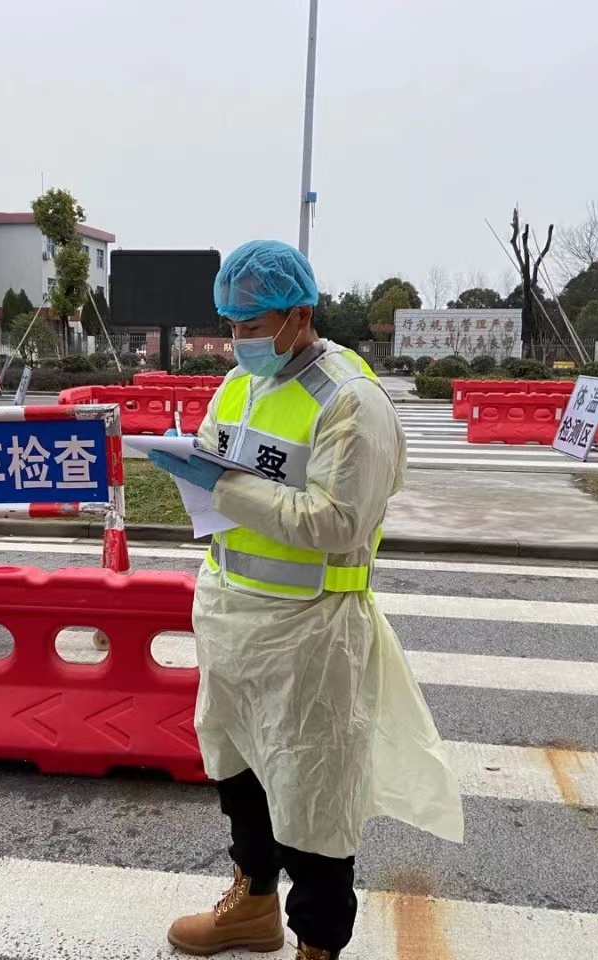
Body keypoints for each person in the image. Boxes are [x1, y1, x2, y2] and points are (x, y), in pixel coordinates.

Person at [147, 240, 463, 960]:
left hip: (310, 631)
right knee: (238, 768)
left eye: (254, 325)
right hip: (232, 617)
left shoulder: (351, 401)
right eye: (232, 325)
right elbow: (213, 462)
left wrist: (223, 487)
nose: (240, 340)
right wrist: (188, 465)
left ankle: (317, 944)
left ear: (300, 315)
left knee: (313, 792)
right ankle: (253, 903)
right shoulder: (239, 385)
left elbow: (337, 521)